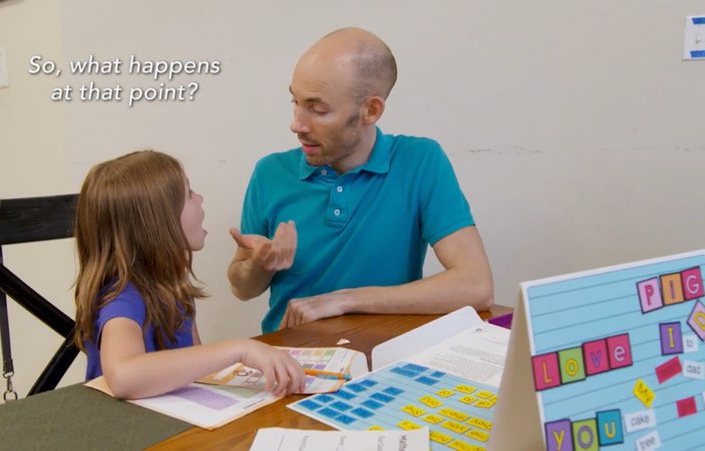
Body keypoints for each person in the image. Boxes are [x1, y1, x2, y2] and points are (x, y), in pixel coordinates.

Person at [228, 28, 494, 333]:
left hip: (384, 360)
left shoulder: (420, 161)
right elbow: (243, 289)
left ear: (371, 110)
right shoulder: (269, 173)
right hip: (289, 362)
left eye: (317, 109)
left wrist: (345, 300)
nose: (296, 124)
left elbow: (476, 285)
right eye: (295, 102)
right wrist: (258, 266)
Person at [73, 150, 304, 399]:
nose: (200, 199)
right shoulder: (123, 296)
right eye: (189, 194)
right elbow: (123, 377)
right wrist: (240, 349)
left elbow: (193, 367)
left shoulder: (173, 285)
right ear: (158, 222)